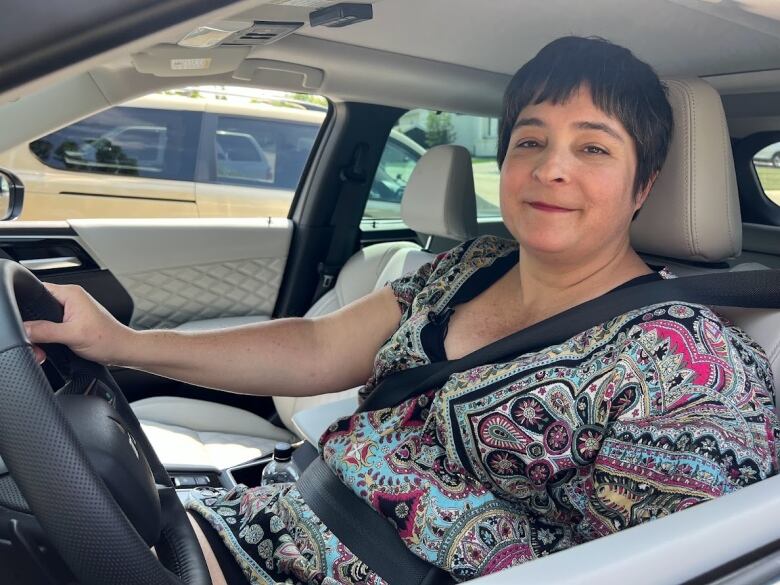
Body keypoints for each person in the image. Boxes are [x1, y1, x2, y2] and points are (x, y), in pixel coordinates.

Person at [25, 36, 779, 585]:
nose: (551, 166)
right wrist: (119, 342)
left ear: (644, 187)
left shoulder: (689, 367)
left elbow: (663, 569)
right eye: (530, 140)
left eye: (594, 148)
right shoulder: (467, 268)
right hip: (252, 527)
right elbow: (317, 347)